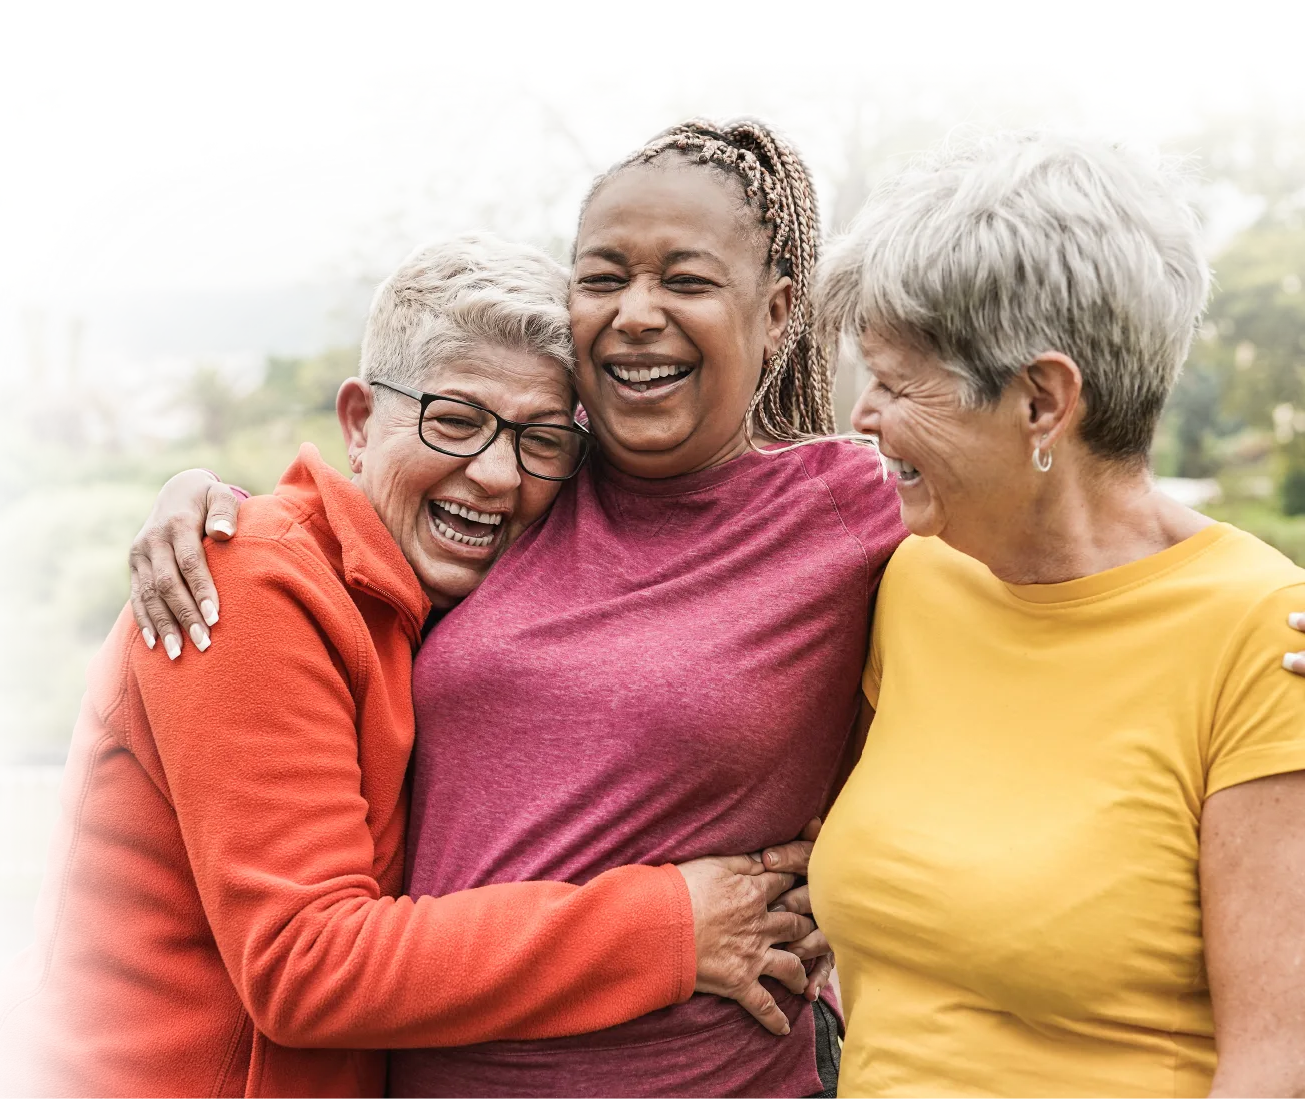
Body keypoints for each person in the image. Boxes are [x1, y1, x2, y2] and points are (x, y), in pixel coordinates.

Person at [129, 114, 897, 1099]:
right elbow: (372, 515)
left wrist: (853, 883)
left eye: (686, 279)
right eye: (604, 275)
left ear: (779, 312)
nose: (636, 312)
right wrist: (211, 499)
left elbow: (1032, 571)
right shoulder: (531, 483)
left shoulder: (850, 516)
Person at [0, 232, 822, 1099]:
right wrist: (669, 927)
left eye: (542, 441)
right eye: (453, 420)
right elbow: (305, 962)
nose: (492, 473)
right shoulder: (249, 582)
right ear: (360, 422)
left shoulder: (440, 608)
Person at [805, 126, 1305, 1098]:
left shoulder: (1262, 641)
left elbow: (1272, 1064)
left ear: (1041, 401)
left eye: (896, 384)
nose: (861, 416)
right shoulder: (914, 577)